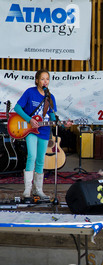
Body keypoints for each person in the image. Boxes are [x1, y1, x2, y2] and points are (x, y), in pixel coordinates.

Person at [14, 69, 72, 200]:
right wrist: (30, 120)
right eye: (42, 79)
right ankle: (27, 190)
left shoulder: (50, 98)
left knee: (41, 160)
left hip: (45, 131)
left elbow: (52, 116)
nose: (45, 81)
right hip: (31, 130)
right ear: (37, 80)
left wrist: (63, 124)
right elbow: (17, 108)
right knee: (32, 156)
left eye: (47, 79)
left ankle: (38, 190)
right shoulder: (30, 92)